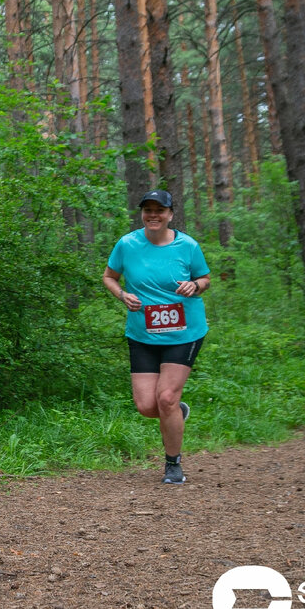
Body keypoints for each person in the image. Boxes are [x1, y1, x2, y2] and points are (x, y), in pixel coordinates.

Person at [102, 190, 210, 485]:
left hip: (184, 332)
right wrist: (123, 295)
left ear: (170, 214)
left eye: (159, 210)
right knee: (147, 406)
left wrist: (194, 286)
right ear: (142, 214)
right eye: (147, 210)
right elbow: (109, 277)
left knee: (166, 397)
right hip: (142, 333)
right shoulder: (127, 244)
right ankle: (175, 411)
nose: (153, 215)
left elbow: (205, 278)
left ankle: (173, 464)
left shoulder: (187, 245)